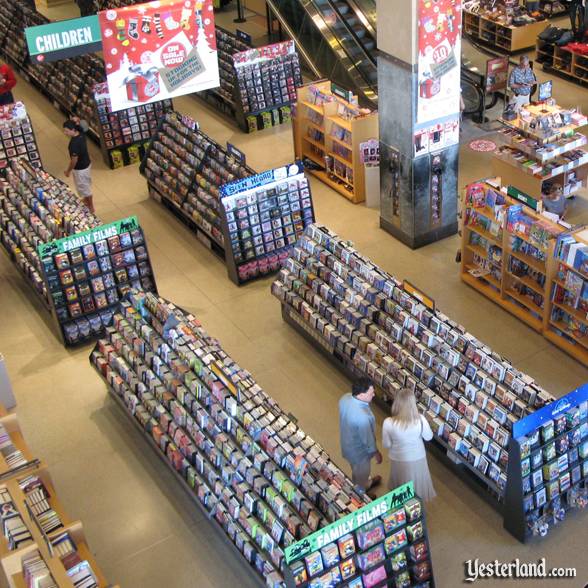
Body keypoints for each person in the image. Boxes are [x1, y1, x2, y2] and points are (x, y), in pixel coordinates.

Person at [382, 388, 436, 501]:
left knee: (400, 485)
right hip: (418, 458)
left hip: (397, 458)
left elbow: (386, 444)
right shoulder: (420, 420)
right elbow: (428, 437)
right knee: (417, 485)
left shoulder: (388, 422)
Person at [339, 377, 382, 497]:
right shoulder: (363, 417)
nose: (374, 395)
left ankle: (366, 482)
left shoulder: (345, 398)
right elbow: (368, 440)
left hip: (347, 444)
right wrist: (376, 453)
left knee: (355, 470)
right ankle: (361, 494)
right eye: (371, 393)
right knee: (362, 472)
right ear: (362, 394)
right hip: (360, 453)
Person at [63, 118, 94, 213]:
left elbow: (74, 160)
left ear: (73, 130)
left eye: (67, 131)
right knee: (85, 184)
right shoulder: (81, 132)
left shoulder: (73, 144)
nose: (65, 133)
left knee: (84, 188)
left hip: (80, 169)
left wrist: (68, 171)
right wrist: (74, 120)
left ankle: (91, 207)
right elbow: (82, 123)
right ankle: (86, 200)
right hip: (87, 163)